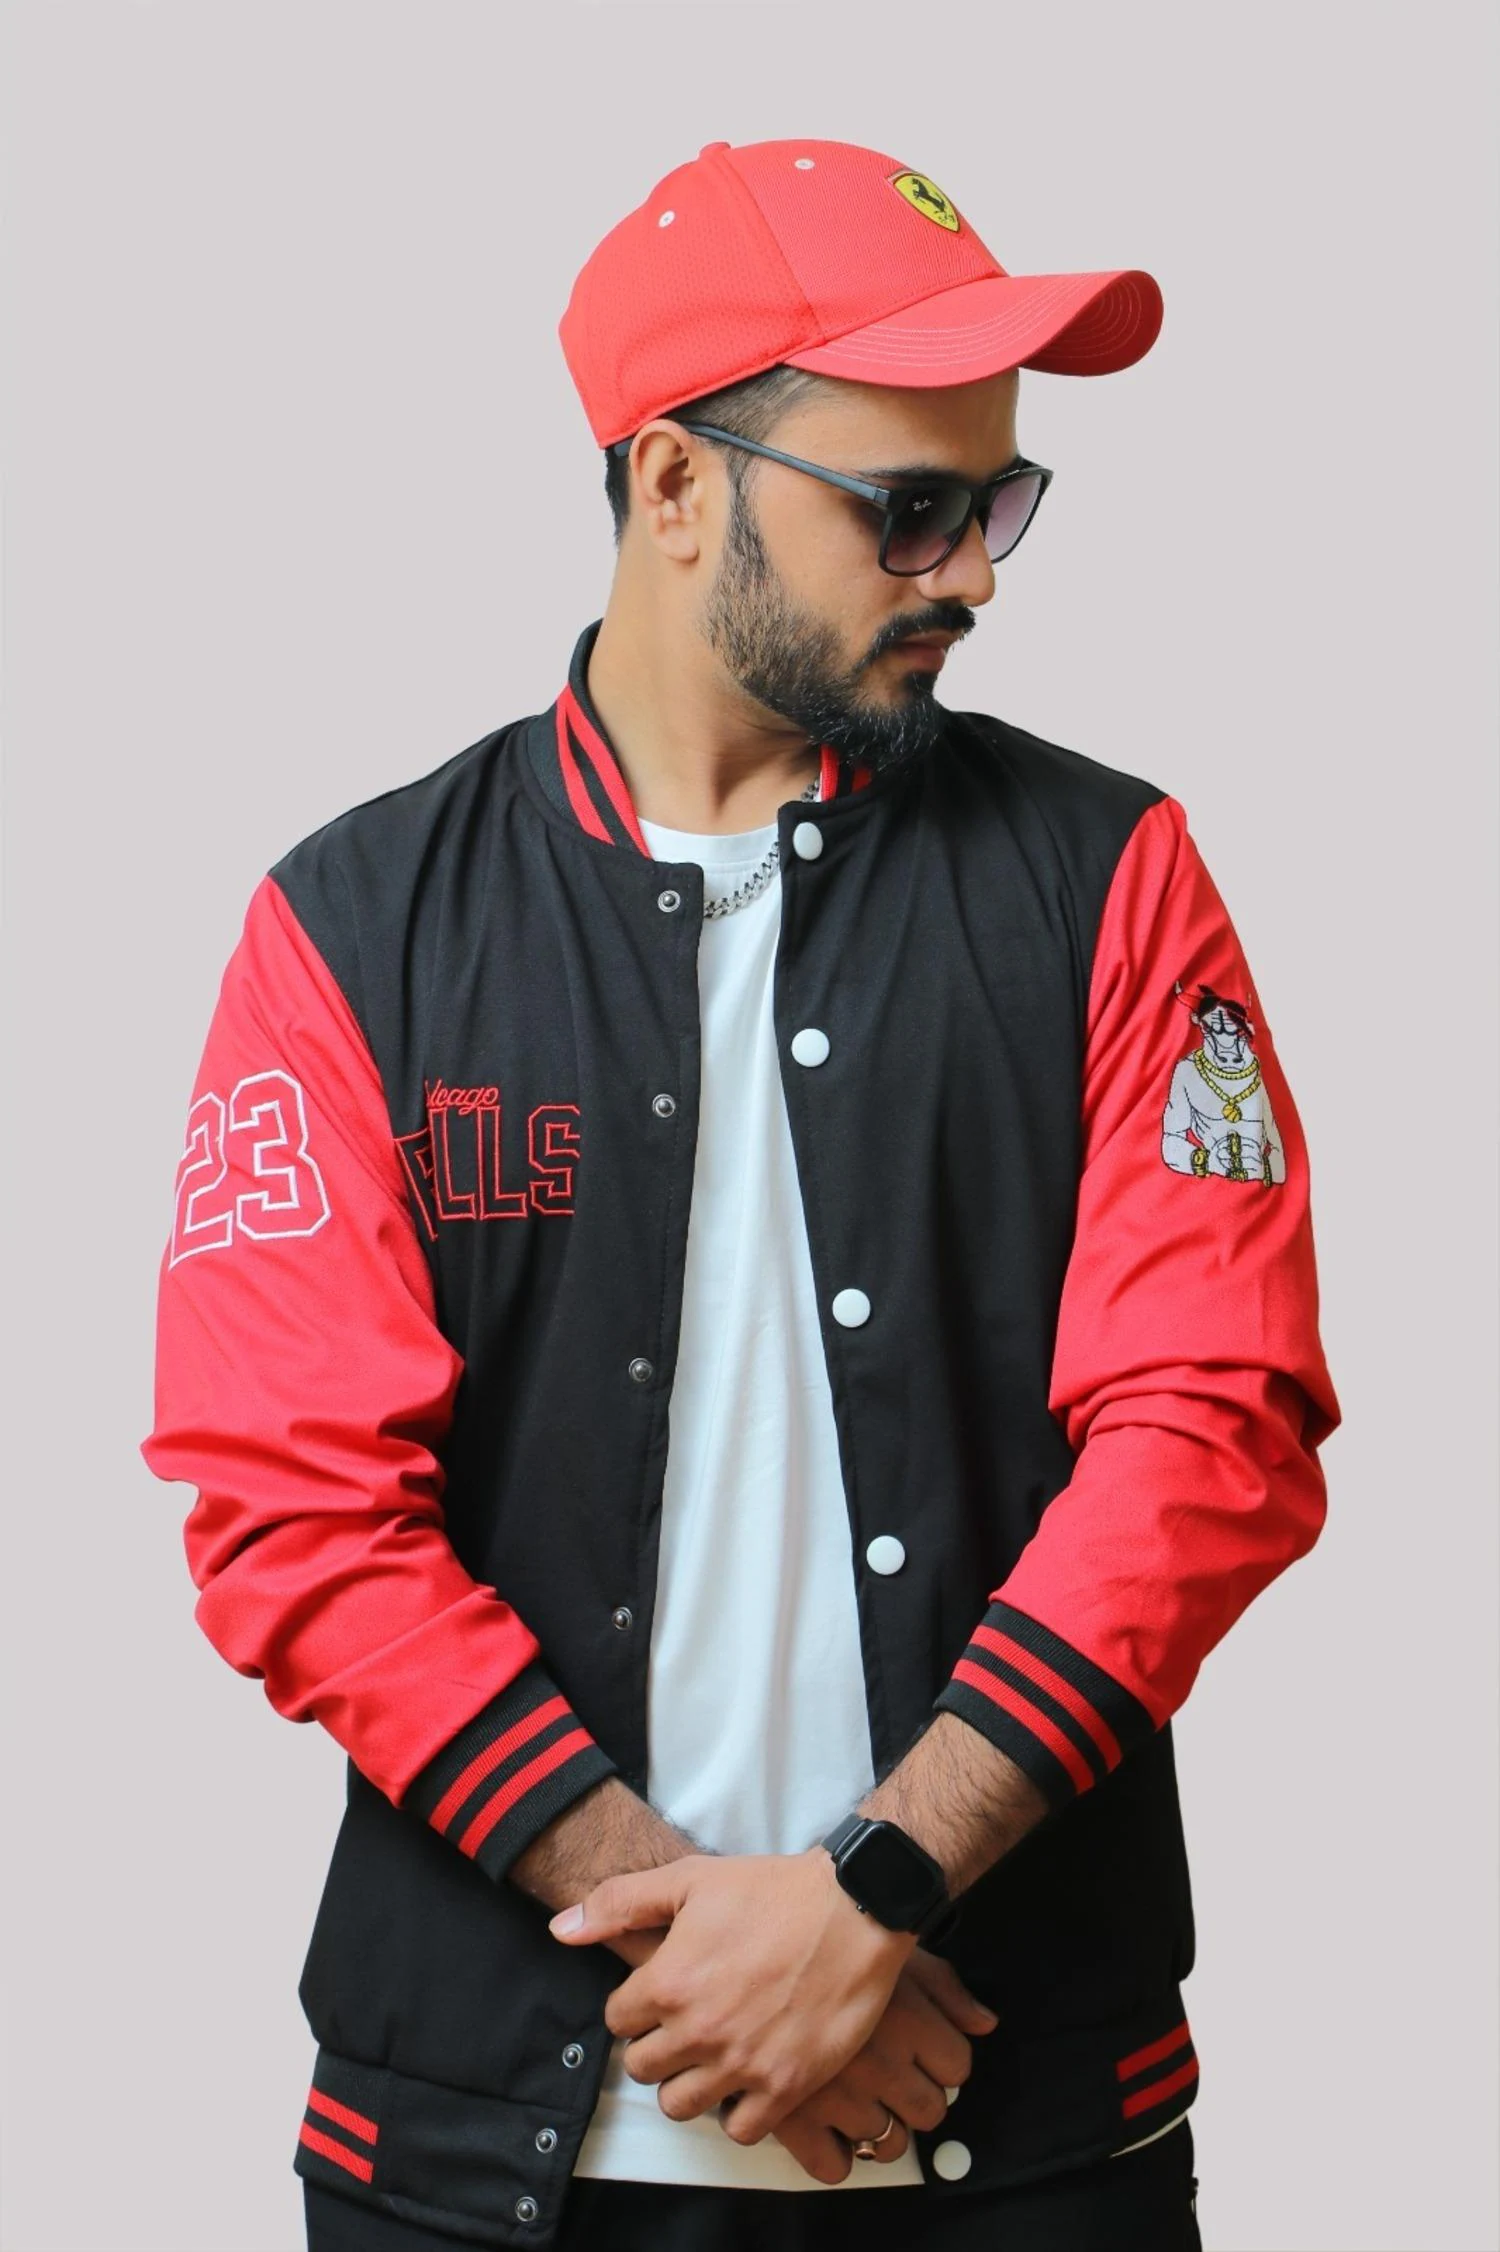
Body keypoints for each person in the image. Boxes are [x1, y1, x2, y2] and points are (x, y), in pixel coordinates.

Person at [141, 136, 1341, 2252]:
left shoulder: (1116, 882)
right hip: (477, 2162)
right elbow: (293, 1515)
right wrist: (699, 1942)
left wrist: (876, 1890)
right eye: (910, 508)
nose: (975, 575)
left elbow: (1211, 1429)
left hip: (1024, 2140)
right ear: (679, 486)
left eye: (1000, 503)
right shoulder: (353, 928)